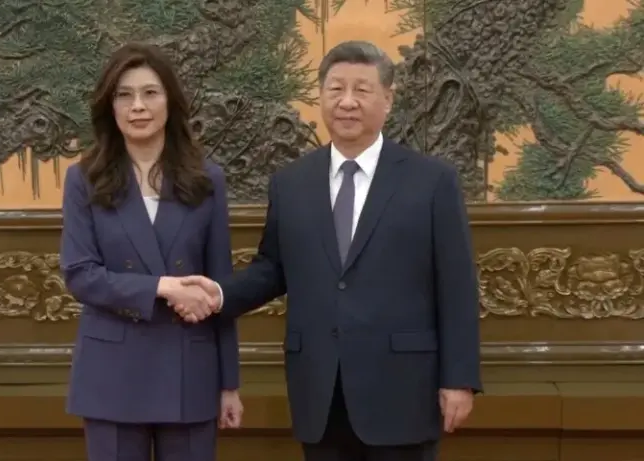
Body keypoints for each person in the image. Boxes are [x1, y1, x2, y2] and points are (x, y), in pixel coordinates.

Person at [174, 40, 482, 461]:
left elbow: (457, 285)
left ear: (388, 99)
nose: (347, 102)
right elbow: (272, 269)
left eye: (362, 90)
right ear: (320, 97)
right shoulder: (291, 183)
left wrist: (459, 378)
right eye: (336, 89)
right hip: (320, 389)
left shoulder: (432, 182)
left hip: (403, 389)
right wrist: (219, 294)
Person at [60, 42, 243, 461]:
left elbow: (220, 287)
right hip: (112, 374)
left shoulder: (206, 179)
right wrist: (163, 287)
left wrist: (229, 384)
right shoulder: (84, 179)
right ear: (110, 106)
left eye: (150, 93)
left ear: (170, 102)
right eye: (124, 95)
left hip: (190, 371)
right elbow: (81, 274)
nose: (137, 106)